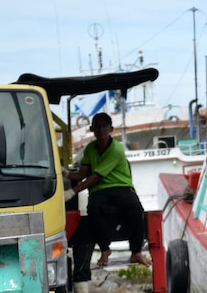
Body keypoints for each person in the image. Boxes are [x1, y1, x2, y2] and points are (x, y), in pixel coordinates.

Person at [65, 112, 151, 267]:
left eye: (105, 126)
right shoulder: (90, 148)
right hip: (99, 189)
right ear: (92, 129)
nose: (101, 129)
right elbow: (82, 174)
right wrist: (65, 173)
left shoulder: (116, 149)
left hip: (121, 185)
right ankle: (105, 249)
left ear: (111, 129)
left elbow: (95, 177)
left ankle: (136, 251)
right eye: (97, 126)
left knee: (136, 209)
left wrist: (72, 192)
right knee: (93, 209)